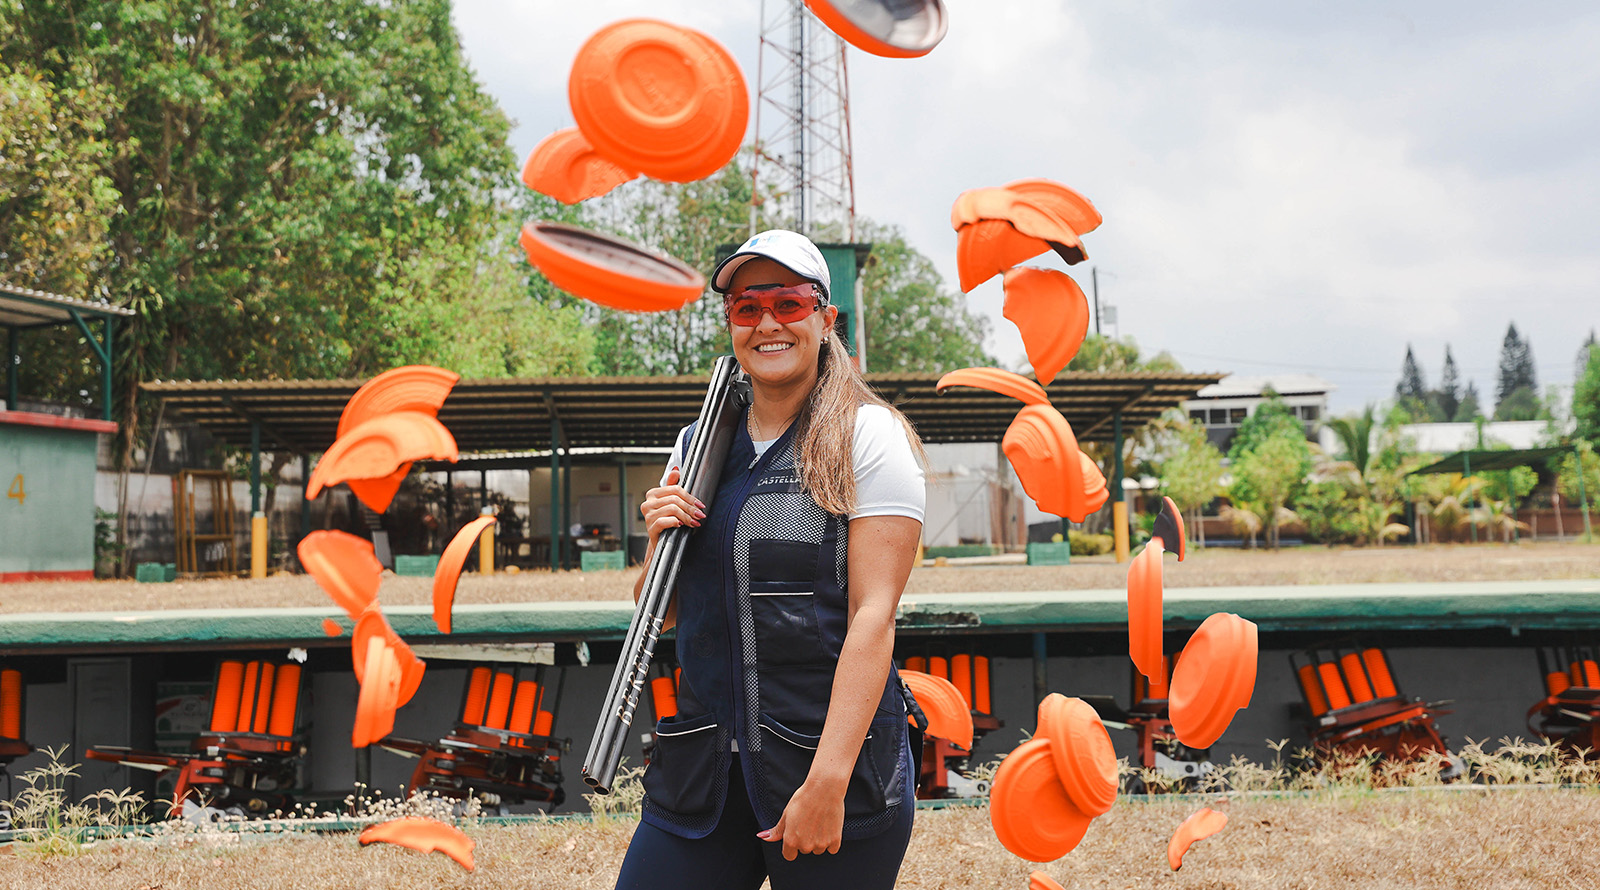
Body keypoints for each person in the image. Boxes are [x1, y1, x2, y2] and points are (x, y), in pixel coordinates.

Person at [614, 230, 928, 890]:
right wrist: (658, 540)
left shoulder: (868, 436)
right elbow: (661, 614)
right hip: (702, 769)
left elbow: (874, 617)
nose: (767, 324)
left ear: (824, 317)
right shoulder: (697, 444)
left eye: (788, 303)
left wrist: (829, 780)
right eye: (746, 307)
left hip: (824, 764)